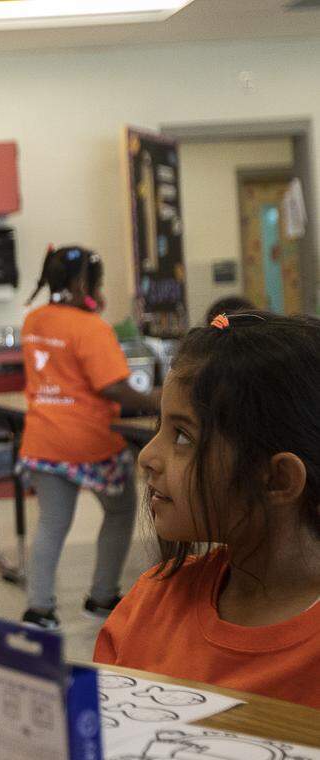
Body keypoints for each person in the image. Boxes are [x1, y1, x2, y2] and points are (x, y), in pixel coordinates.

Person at [95, 312, 320, 708]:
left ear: (278, 479)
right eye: (158, 428)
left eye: (182, 436)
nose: (147, 456)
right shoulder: (148, 607)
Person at [18, 245, 158, 630]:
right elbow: (113, 387)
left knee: (51, 523)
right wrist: (155, 400)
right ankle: (101, 597)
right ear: (83, 282)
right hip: (91, 443)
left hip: (44, 440)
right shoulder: (91, 327)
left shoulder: (34, 320)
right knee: (120, 509)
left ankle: (39, 608)